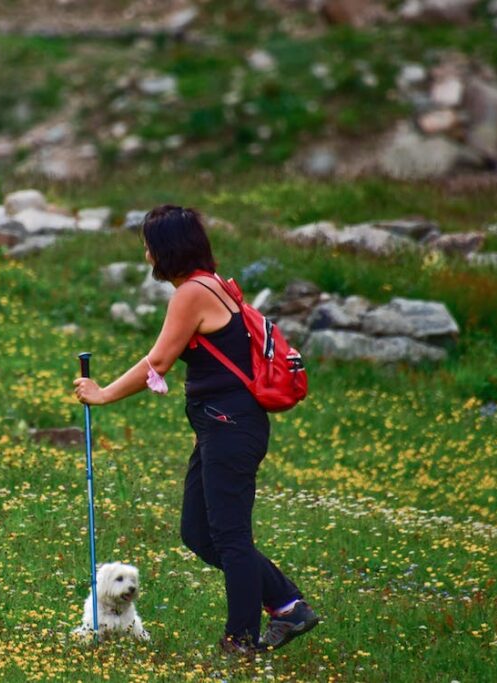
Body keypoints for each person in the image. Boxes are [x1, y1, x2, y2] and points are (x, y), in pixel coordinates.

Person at [72, 205, 319, 656]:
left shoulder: (191, 294)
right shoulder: (212, 286)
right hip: (219, 426)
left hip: (230, 426)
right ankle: (287, 605)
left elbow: (159, 361)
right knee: (198, 533)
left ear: (165, 249)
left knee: (229, 537)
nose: (145, 253)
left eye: (148, 244)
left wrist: (103, 393)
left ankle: (240, 640)